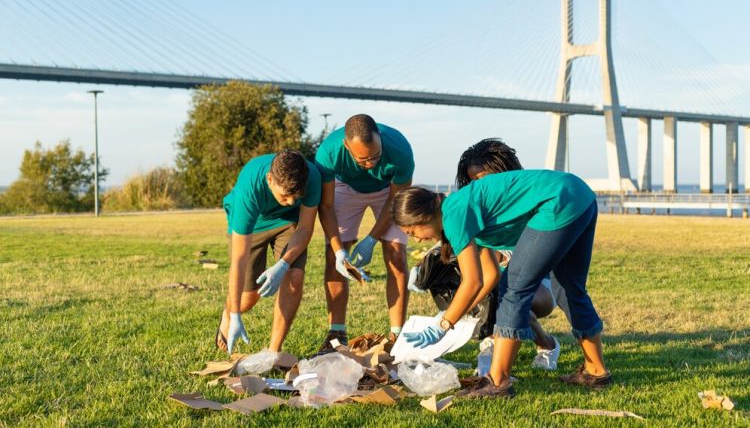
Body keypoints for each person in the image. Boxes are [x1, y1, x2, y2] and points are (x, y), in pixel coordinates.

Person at [392, 170, 611, 399]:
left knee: (514, 290)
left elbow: (472, 281)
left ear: (423, 216)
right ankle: (596, 371)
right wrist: (449, 316)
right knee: (570, 287)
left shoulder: (453, 214)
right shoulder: (459, 207)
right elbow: (489, 276)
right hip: (578, 194)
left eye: (412, 231)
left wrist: (444, 324)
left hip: (557, 201)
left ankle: (497, 382)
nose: (416, 239)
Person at [454, 137, 572, 370]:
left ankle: (546, 345)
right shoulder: (474, 212)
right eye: (473, 181)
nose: (480, 187)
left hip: (539, 286)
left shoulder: (533, 203)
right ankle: (495, 338)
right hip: (494, 286)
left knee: (514, 297)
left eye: (485, 179)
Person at [314, 113, 414, 352]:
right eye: (363, 160)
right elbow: (326, 207)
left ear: (380, 138)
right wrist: (339, 250)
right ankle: (336, 333)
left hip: (387, 191)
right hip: (345, 187)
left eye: (375, 156)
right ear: (347, 146)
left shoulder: (400, 149)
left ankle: (396, 337)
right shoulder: (328, 153)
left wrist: (371, 240)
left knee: (396, 255)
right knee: (334, 256)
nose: (370, 163)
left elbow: (395, 200)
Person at [216, 150, 321, 354]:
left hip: (289, 222)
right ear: (270, 179)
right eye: (285, 195)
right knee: (248, 299)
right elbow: (239, 259)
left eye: (296, 196)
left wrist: (283, 265)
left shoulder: (312, 177)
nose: (291, 201)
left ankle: (273, 351)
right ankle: (228, 314)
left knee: (294, 276)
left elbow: (305, 228)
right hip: (254, 224)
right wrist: (236, 313)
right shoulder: (250, 186)